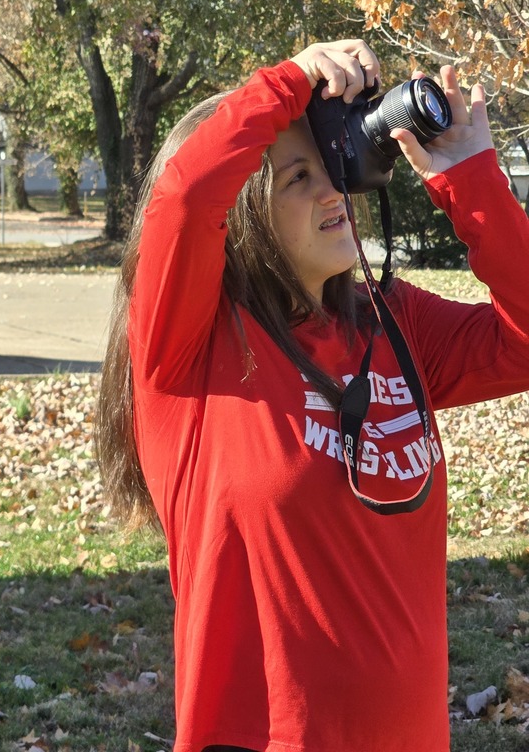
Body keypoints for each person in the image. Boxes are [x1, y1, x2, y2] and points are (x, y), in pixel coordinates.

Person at [95, 39, 529, 752]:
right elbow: (182, 196)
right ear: (239, 218)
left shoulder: (395, 324)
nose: (332, 192)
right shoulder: (191, 348)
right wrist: (289, 81)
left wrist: (470, 180)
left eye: (327, 167)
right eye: (296, 178)